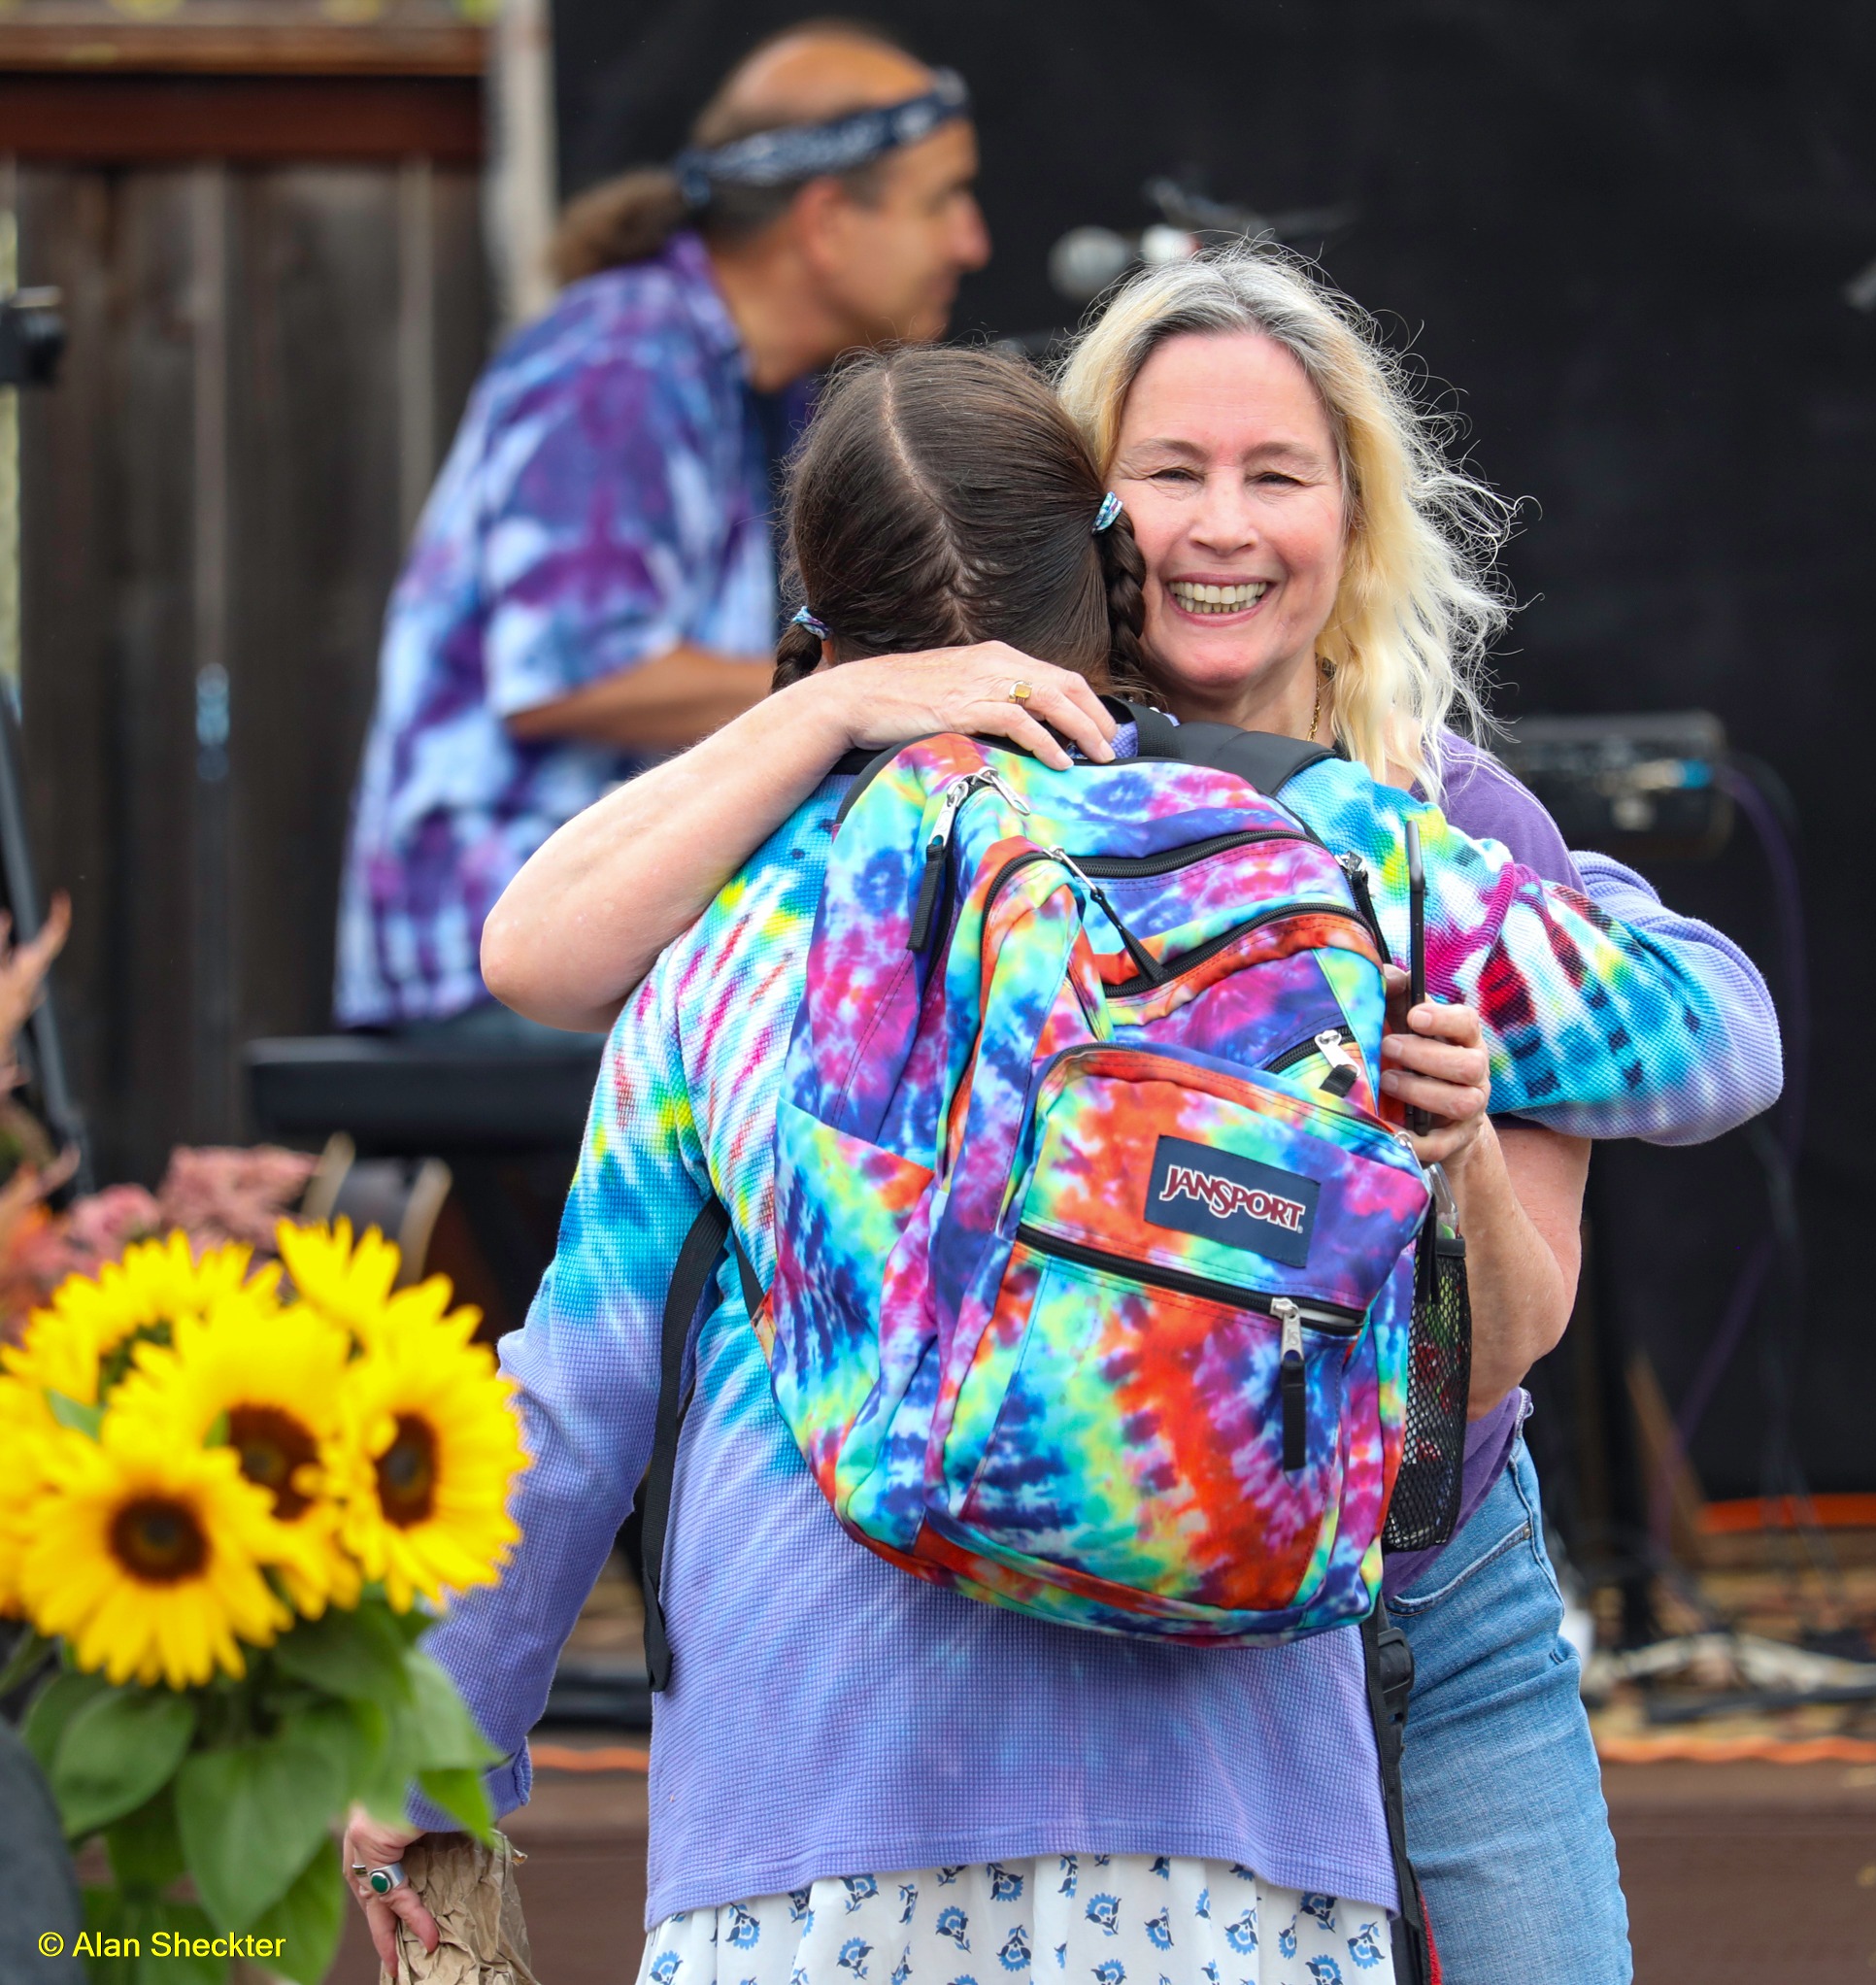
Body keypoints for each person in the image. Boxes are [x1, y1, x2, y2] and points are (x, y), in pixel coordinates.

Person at [347, 339, 1775, 1984]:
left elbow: (575, 1386)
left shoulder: (732, 938)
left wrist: (428, 1750)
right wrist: (1491, 876)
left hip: (818, 1806)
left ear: (819, 619)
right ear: (1109, 578)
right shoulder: (1327, 852)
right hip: (1232, 1822)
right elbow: (1716, 1041)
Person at [334, 20, 989, 1035]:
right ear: (823, 222)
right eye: (942, 198)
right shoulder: (621, 363)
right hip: (495, 952)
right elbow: (573, 673)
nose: (971, 242)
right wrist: (862, 693)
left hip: (630, 929)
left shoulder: (765, 391)